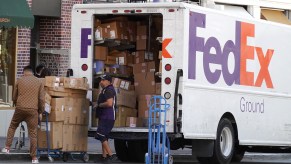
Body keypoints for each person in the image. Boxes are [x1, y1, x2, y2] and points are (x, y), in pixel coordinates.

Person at [1, 65, 45, 164]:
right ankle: (34, 158)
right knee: (33, 133)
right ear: (32, 72)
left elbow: (14, 97)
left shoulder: (19, 80)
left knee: (13, 126)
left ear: (24, 72)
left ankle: (7, 148)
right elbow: (42, 99)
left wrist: (17, 103)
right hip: (33, 110)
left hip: (20, 109)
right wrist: (40, 111)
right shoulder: (39, 82)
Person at [93, 74, 118, 162]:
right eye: (100, 80)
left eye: (103, 80)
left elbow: (109, 103)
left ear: (108, 81)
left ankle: (111, 156)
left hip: (108, 116)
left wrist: (100, 105)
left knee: (100, 134)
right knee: (104, 137)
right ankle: (104, 157)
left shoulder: (109, 90)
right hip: (104, 116)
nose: (101, 82)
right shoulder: (105, 90)